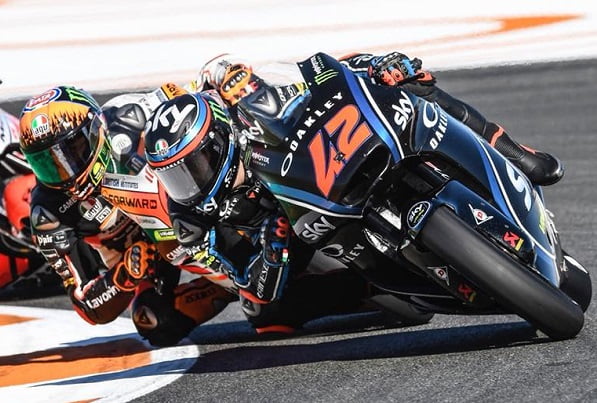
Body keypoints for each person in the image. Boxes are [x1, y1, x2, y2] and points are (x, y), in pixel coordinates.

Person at [143, 50, 565, 332]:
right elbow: (250, 287)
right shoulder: (190, 218)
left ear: (219, 137)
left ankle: (515, 153)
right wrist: (272, 249)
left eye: (193, 166)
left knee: (410, 85)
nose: (189, 183)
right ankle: (380, 288)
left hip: (319, 170)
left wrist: (376, 68)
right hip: (296, 239)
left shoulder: (244, 111)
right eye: (175, 176)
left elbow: (319, 72)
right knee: (268, 313)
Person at [18, 85, 234, 346]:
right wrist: (126, 275)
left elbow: (188, 96)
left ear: (96, 129)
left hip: (187, 203)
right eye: (47, 162)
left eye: (73, 150)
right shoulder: (47, 213)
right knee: (153, 319)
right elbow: (88, 306)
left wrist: (222, 85)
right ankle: (230, 288)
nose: (66, 172)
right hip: (145, 252)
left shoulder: (126, 116)